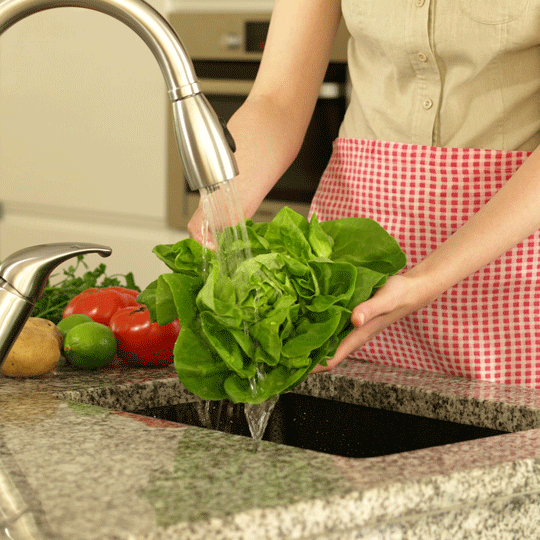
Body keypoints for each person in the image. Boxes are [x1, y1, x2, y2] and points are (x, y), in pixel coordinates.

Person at [188, 0, 540, 388]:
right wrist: (223, 199)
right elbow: (277, 98)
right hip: (351, 262)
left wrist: (425, 280)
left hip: (510, 261)